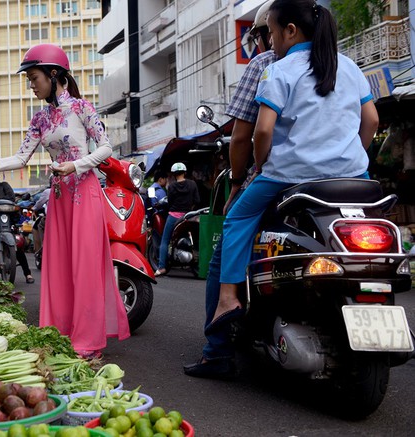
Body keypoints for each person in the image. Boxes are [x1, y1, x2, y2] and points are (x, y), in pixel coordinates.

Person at [207, 0, 379, 335]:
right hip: (353, 177)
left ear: (290, 31)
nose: (270, 43)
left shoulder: (278, 70)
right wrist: (351, 155)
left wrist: (261, 165)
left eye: (270, 33)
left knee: (237, 218)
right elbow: (371, 119)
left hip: (290, 175)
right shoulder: (348, 66)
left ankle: (228, 298)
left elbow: (262, 131)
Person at [0, 43, 130, 358]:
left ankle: (88, 341)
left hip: (85, 194)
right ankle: (62, 333)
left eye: (34, 77)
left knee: (85, 267)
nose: (31, 84)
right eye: (29, 79)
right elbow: (20, 157)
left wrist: (75, 165)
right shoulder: (40, 119)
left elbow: (106, 148)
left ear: (55, 75)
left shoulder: (82, 109)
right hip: (59, 198)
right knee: (60, 267)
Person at [184, 0, 278, 379]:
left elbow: (249, 134)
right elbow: (367, 121)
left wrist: (239, 179)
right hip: (347, 177)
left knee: (227, 242)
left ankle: (218, 347)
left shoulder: (267, 65)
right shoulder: (341, 65)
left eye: (258, 36)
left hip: (278, 176)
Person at [0, 173, 34, 283]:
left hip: (6, 222)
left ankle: (27, 273)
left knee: (17, 247)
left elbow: (11, 198)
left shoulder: (4, 186)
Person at [154, 162, 201, 276]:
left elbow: (169, 202)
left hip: (174, 217)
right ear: (185, 172)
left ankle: (161, 268)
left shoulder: (172, 186)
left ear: (174, 174)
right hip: (189, 217)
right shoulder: (192, 184)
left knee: (165, 241)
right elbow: (197, 200)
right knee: (197, 240)